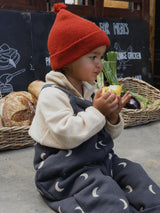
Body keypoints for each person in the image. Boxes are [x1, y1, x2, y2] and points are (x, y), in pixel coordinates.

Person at [29, 3, 160, 213]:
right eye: (93, 57)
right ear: (69, 59)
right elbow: (67, 134)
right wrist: (98, 111)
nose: (100, 64)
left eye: (100, 56)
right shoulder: (51, 95)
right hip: (65, 172)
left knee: (134, 173)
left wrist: (112, 118)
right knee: (105, 192)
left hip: (98, 160)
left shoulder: (89, 89)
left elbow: (106, 134)